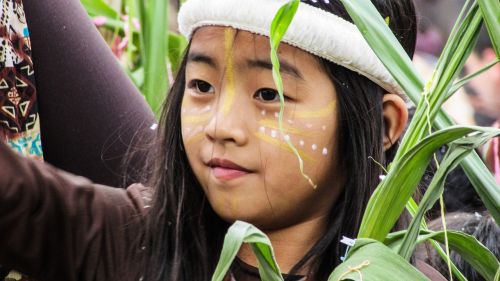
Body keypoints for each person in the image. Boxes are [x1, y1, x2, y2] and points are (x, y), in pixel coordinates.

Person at [0, 0, 448, 280]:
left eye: (269, 94)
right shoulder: (138, 240)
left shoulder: (404, 276)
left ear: (385, 125)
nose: (220, 126)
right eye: (201, 86)